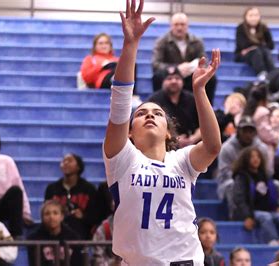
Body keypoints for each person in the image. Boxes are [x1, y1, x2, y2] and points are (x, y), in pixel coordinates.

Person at [102, 0, 221, 264]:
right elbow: (120, 103)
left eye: (157, 113)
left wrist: (199, 91)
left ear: (168, 132)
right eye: (141, 113)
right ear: (129, 133)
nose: (149, 115)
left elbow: (212, 147)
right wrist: (130, 45)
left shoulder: (181, 161)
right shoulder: (123, 159)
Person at [230, 147, 279, 245]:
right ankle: (273, 243)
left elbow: (275, 194)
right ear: (246, 159)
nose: (256, 159)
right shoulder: (241, 177)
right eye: (252, 157)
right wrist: (247, 216)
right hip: (252, 212)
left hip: (269, 210)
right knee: (265, 217)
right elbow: (239, 200)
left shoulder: (265, 175)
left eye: (258, 156)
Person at [152, 12, 217, 103]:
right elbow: (156, 64)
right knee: (157, 76)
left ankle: (207, 109)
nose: (179, 28)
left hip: (191, 76)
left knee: (211, 78)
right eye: (176, 24)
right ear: (171, 26)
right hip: (171, 74)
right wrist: (177, 68)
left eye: (182, 24)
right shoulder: (161, 42)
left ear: (187, 26)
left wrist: (192, 67)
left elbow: (204, 61)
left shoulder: (197, 41)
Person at [44, 153, 97, 239]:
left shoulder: (89, 189)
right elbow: (45, 212)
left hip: (82, 231)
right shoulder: (52, 188)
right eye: (64, 161)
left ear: (78, 167)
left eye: (70, 160)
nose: (66, 163)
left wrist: (83, 216)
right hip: (57, 230)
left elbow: (95, 215)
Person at [216, 116, 270, 200]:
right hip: (231, 182)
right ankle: (237, 213)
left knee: (275, 185)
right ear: (238, 132)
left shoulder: (261, 148)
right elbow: (225, 174)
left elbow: (267, 171)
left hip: (256, 181)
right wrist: (244, 180)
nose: (248, 135)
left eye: (251, 131)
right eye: (245, 131)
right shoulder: (227, 148)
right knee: (234, 185)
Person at [148, 67, 200, 147]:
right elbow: (151, 128)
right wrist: (174, 139)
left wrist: (192, 139)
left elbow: (202, 125)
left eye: (177, 78)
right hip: (164, 144)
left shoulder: (192, 99)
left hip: (191, 144)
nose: (174, 81)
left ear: (182, 81)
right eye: (169, 78)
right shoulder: (154, 100)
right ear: (163, 82)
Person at [27, 200, 83, 266]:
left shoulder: (74, 238)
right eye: (47, 214)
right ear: (42, 218)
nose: (51, 217)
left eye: (55, 213)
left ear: (62, 217)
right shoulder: (33, 240)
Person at [235, 7, 274, 80]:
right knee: (256, 52)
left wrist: (255, 46)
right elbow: (242, 45)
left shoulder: (263, 27)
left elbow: (271, 45)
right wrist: (259, 45)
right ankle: (262, 73)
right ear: (245, 17)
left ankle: (273, 73)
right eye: (251, 15)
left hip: (261, 52)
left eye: (256, 15)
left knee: (265, 51)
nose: (253, 18)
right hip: (244, 54)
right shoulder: (241, 28)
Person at [243, 84, 279, 163]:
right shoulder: (263, 111)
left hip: (247, 146)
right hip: (259, 148)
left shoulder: (246, 110)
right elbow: (265, 133)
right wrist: (276, 137)